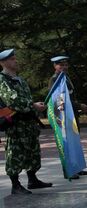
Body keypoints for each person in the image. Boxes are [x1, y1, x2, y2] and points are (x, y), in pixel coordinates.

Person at [0, 49, 52, 194]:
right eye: (12, 59)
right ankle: (15, 185)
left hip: (28, 123)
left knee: (32, 151)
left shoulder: (20, 79)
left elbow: (27, 98)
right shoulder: (2, 80)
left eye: (15, 59)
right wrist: (33, 105)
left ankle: (32, 179)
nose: (15, 61)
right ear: (3, 62)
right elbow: (12, 100)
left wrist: (36, 106)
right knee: (15, 152)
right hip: (15, 123)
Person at [48, 55, 87, 178]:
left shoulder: (65, 78)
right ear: (55, 66)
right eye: (61, 65)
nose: (64, 67)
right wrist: (79, 105)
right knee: (66, 142)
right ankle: (68, 170)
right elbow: (60, 100)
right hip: (63, 115)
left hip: (72, 114)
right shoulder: (54, 80)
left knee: (74, 142)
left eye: (66, 64)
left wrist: (78, 107)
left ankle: (76, 167)